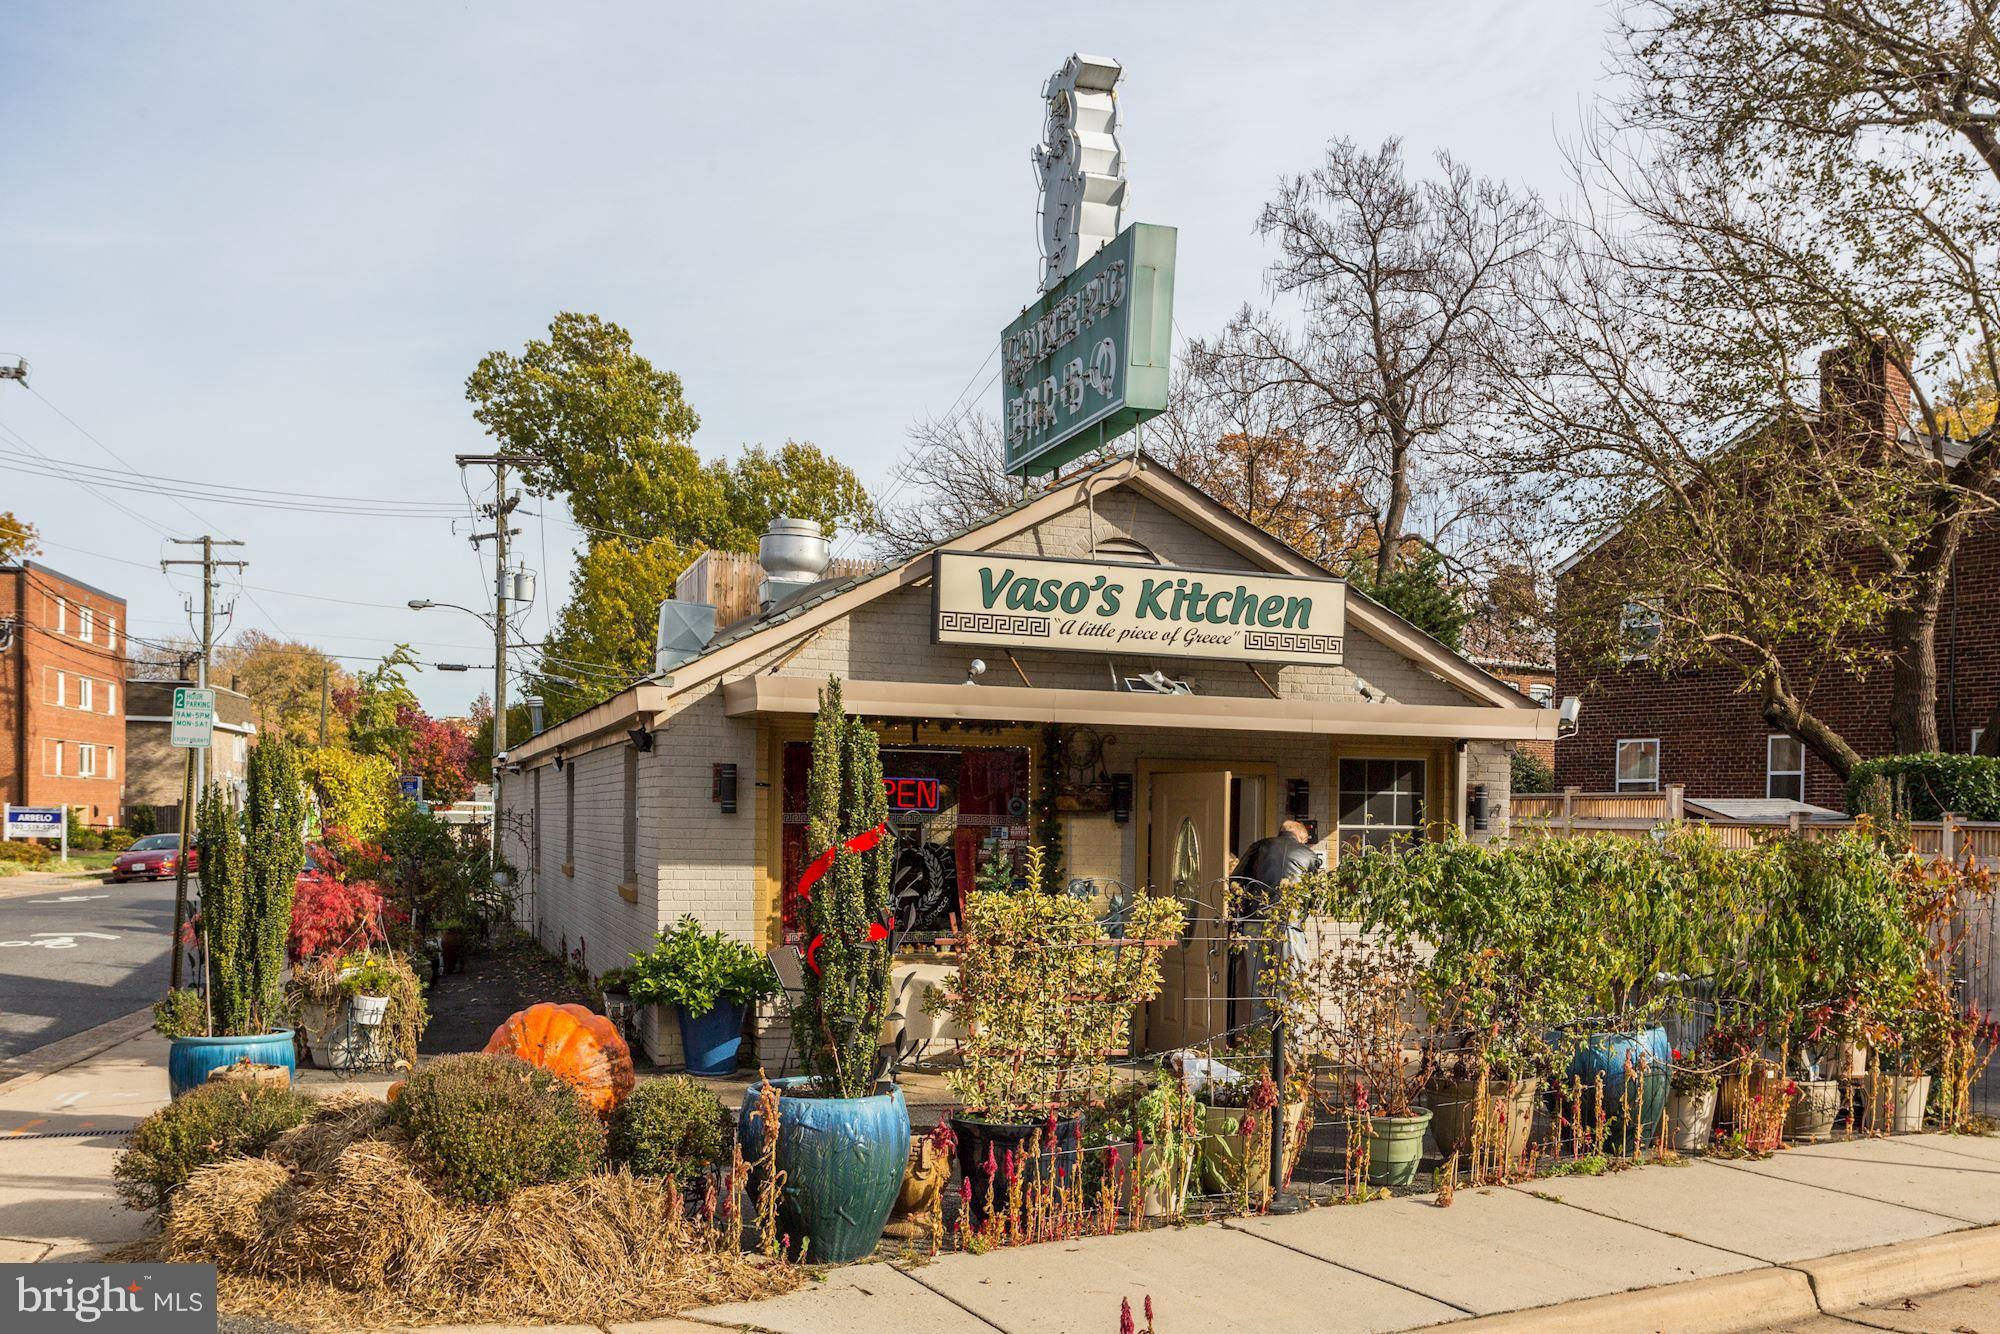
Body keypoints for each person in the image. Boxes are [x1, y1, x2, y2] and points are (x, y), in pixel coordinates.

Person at [1230, 820, 1321, 1031]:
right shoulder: (1309, 856)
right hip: (1289, 925)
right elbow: (1314, 899)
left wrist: (1239, 916)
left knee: (1258, 988)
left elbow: (1236, 880)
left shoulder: (1259, 847)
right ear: (1301, 837)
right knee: (1290, 988)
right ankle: (1291, 1048)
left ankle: (1262, 1051)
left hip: (1255, 921)